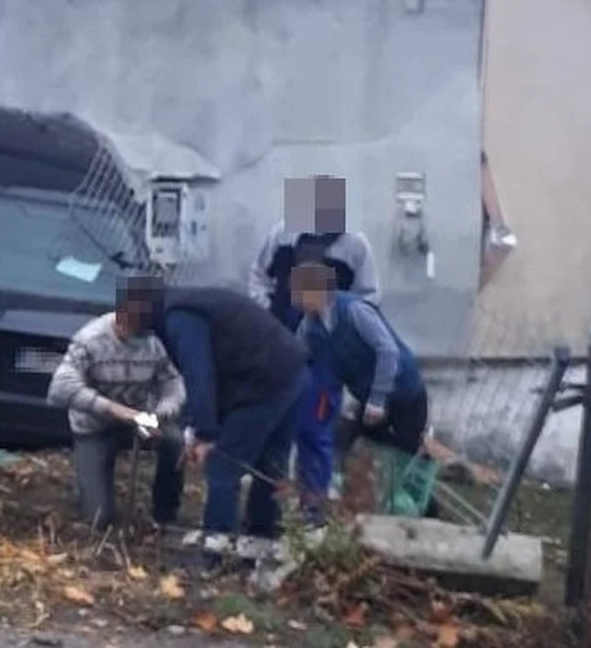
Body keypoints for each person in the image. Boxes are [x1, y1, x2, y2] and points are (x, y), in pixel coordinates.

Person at [248, 176, 380, 520]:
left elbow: (369, 298)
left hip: (324, 357)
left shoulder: (355, 247)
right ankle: (265, 516)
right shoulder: (282, 234)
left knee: (314, 431)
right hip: (279, 347)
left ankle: (312, 513)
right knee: (273, 429)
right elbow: (258, 276)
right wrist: (266, 314)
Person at [151, 283, 310, 564]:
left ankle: (216, 555)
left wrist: (205, 434)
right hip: (293, 371)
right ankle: (260, 546)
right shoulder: (198, 300)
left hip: (263, 384)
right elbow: (219, 370)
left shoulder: (179, 317)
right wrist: (194, 427)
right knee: (270, 465)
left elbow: (200, 374)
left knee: (222, 468)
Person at [47, 274, 187, 529]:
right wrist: (115, 410)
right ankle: (91, 492)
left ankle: (165, 515)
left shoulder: (153, 341)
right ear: (125, 312)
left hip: (140, 421)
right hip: (94, 427)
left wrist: (162, 412)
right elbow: (60, 388)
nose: (141, 334)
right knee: (99, 518)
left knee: (175, 441)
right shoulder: (90, 340)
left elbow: (173, 383)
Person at [289, 262, 429, 471]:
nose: (296, 302)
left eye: (300, 294)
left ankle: (422, 469)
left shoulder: (354, 310)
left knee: (405, 456)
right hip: (367, 395)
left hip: (404, 391)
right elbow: (300, 359)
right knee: (351, 437)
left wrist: (378, 399)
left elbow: (388, 351)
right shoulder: (309, 326)